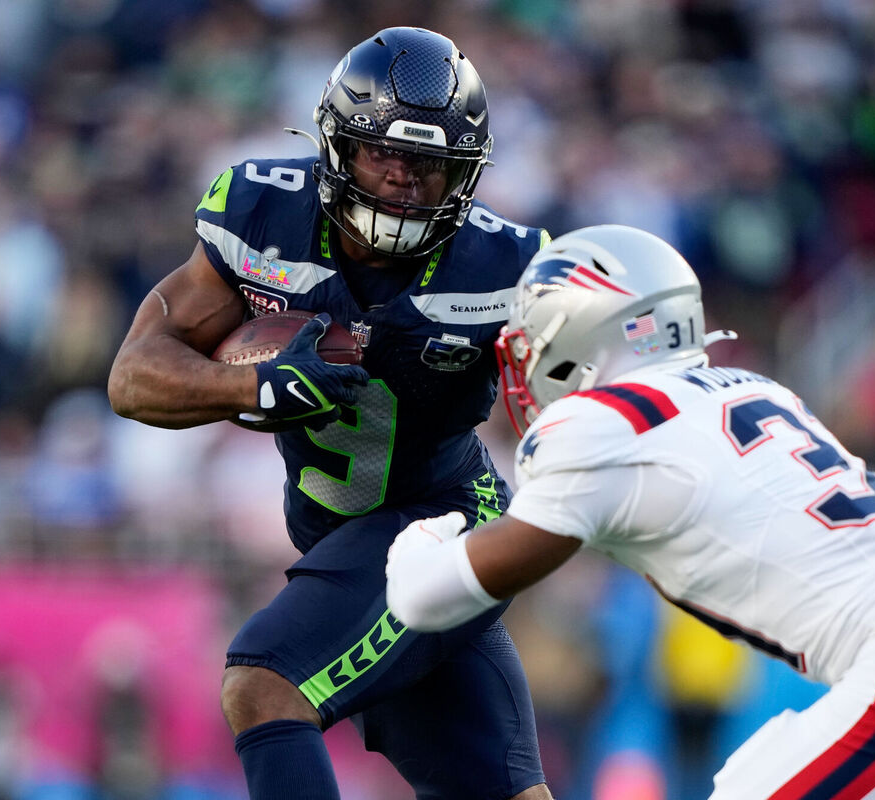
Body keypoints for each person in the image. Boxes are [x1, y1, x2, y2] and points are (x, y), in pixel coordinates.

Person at [385, 224, 875, 799]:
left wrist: (417, 544)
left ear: (577, 330)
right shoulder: (753, 388)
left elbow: (433, 597)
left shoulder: (603, 422)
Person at [108, 27, 554, 800]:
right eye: (385, 154)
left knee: (264, 684)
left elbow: (576, 405)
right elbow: (134, 377)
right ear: (336, 147)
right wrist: (258, 386)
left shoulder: (506, 269)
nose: (404, 182)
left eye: (429, 164)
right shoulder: (262, 214)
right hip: (342, 536)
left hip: (446, 520)